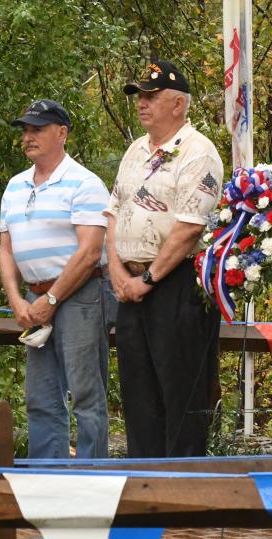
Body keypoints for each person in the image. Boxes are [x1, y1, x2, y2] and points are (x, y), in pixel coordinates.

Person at [105, 60, 223, 458]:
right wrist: (118, 272)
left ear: (178, 104)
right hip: (129, 284)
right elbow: (112, 212)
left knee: (181, 392)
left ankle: (184, 493)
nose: (142, 103)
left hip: (177, 285)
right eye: (139, 96)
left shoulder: (198, 152)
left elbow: (189, 227)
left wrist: (148, 280)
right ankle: (144, 488)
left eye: (151, 96)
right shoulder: (136, 150)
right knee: (138, 393)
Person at [0, 99, 114, 458]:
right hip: (35, 297)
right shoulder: (15, 185)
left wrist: (51, 300)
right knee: (41, 393)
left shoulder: (85, 183)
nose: (28, 137)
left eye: (37, 129)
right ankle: (48, 473)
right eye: (25, 130)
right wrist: (17, 300)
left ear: (61, 133)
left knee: (85, 391)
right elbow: (5, 248)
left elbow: (90, 251)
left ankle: (93, 475)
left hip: (81, 294)